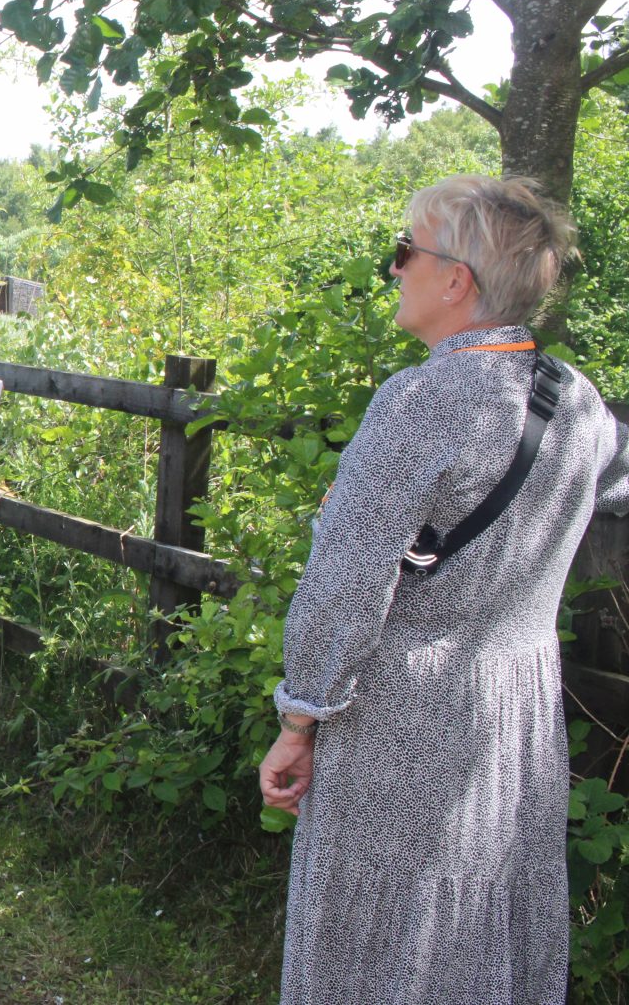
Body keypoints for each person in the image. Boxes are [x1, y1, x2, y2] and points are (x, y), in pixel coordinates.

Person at [256, 176, 629, 1003]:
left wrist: (301, 715)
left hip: (406, 716)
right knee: (483, 920)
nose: (395, 271)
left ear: (455, 278)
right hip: (516, 713)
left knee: (383, 943)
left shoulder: (421, 400)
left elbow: (345, 581)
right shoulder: (574, 401)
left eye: (404, 253)